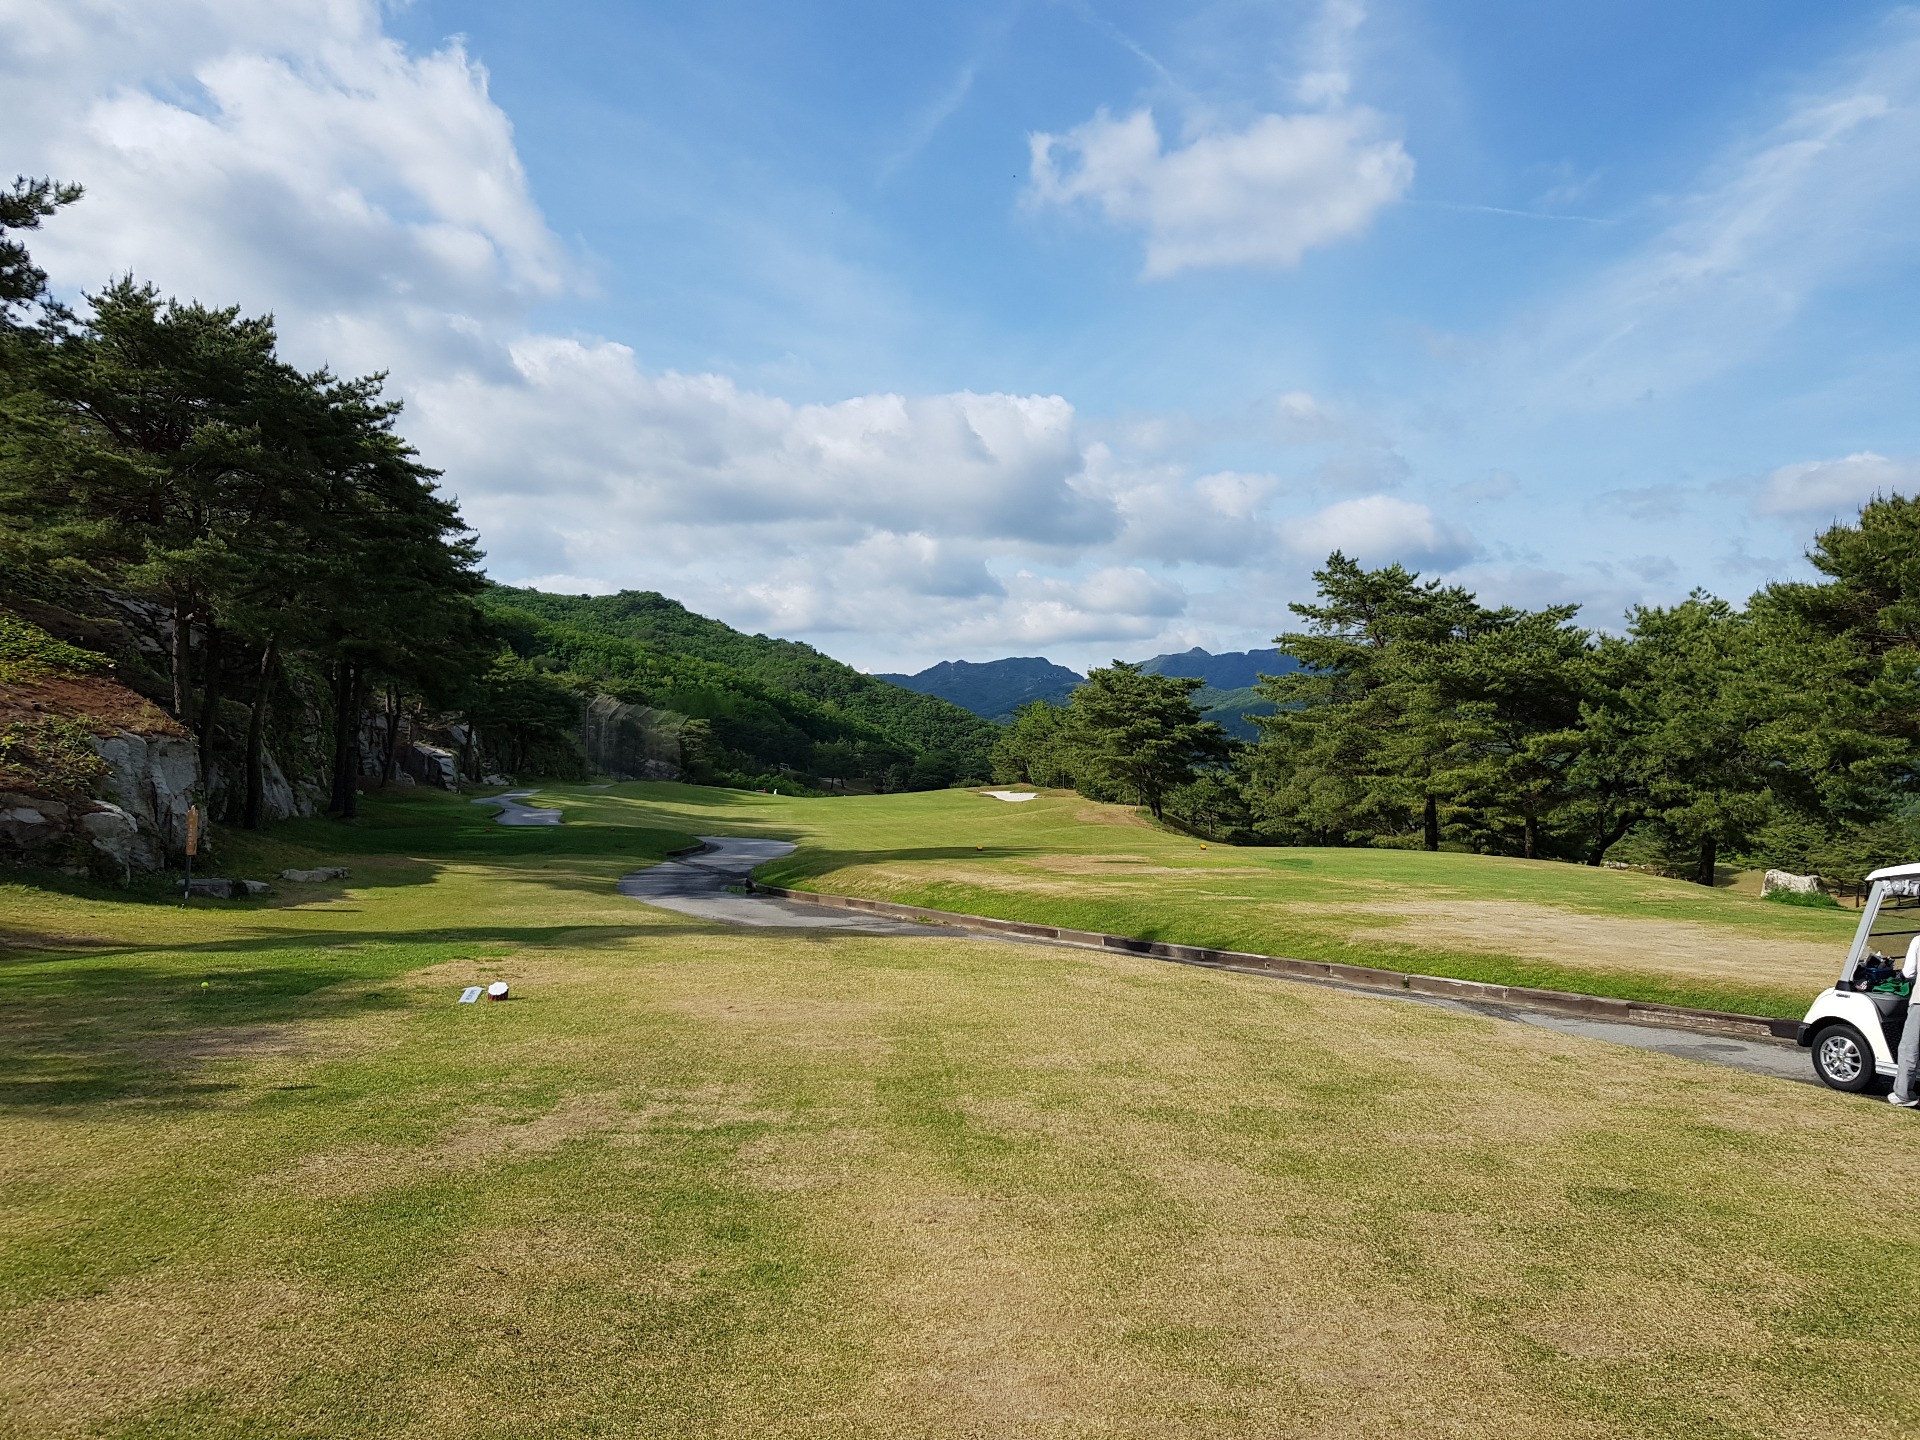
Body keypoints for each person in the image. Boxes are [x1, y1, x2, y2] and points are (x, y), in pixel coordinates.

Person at [1891, 936, 1920, 1107]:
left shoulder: (1918, 940)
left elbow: (1909, 973)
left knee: (1909, 1048)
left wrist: (1899, 975)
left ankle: (1903, 1095)